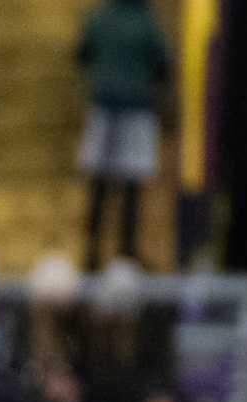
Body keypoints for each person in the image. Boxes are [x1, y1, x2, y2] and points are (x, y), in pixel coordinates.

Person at [76, 0, 172, 271]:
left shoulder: (100, 18)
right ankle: (125, 252)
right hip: (137, 107)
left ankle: (91, 251)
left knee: (99, 183)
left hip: (103, 105)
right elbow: (162, 65)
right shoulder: (147, 24)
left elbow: (82, 55)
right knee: (131, 183)